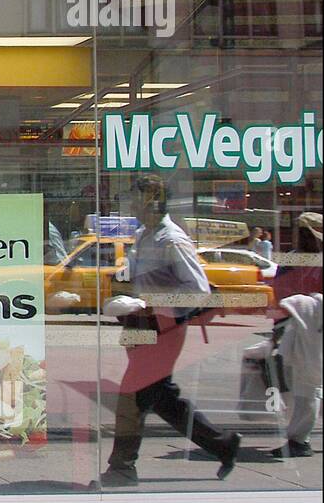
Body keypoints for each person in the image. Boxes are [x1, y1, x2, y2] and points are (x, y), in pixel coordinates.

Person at [100, 175, 241, 487]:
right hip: (140, 324)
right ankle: (222, 443)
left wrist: (151, 304)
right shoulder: (144, 235)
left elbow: (198, 290)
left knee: (131, 398)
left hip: (162, 328)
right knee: (161, 398)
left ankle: (121, 468)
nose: (132, 205)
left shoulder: (172, 239)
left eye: (137, 200)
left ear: (152, 200)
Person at [269, 212, 322, 458]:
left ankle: (299, 439)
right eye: (299, 233)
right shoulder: (291, 261)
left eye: (307, 233)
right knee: (306, 386)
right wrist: (278, 328)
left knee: (309, 386)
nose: (302, 239)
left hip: (316, 329)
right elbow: (279, 294)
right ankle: (300, 437)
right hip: (297, 329)